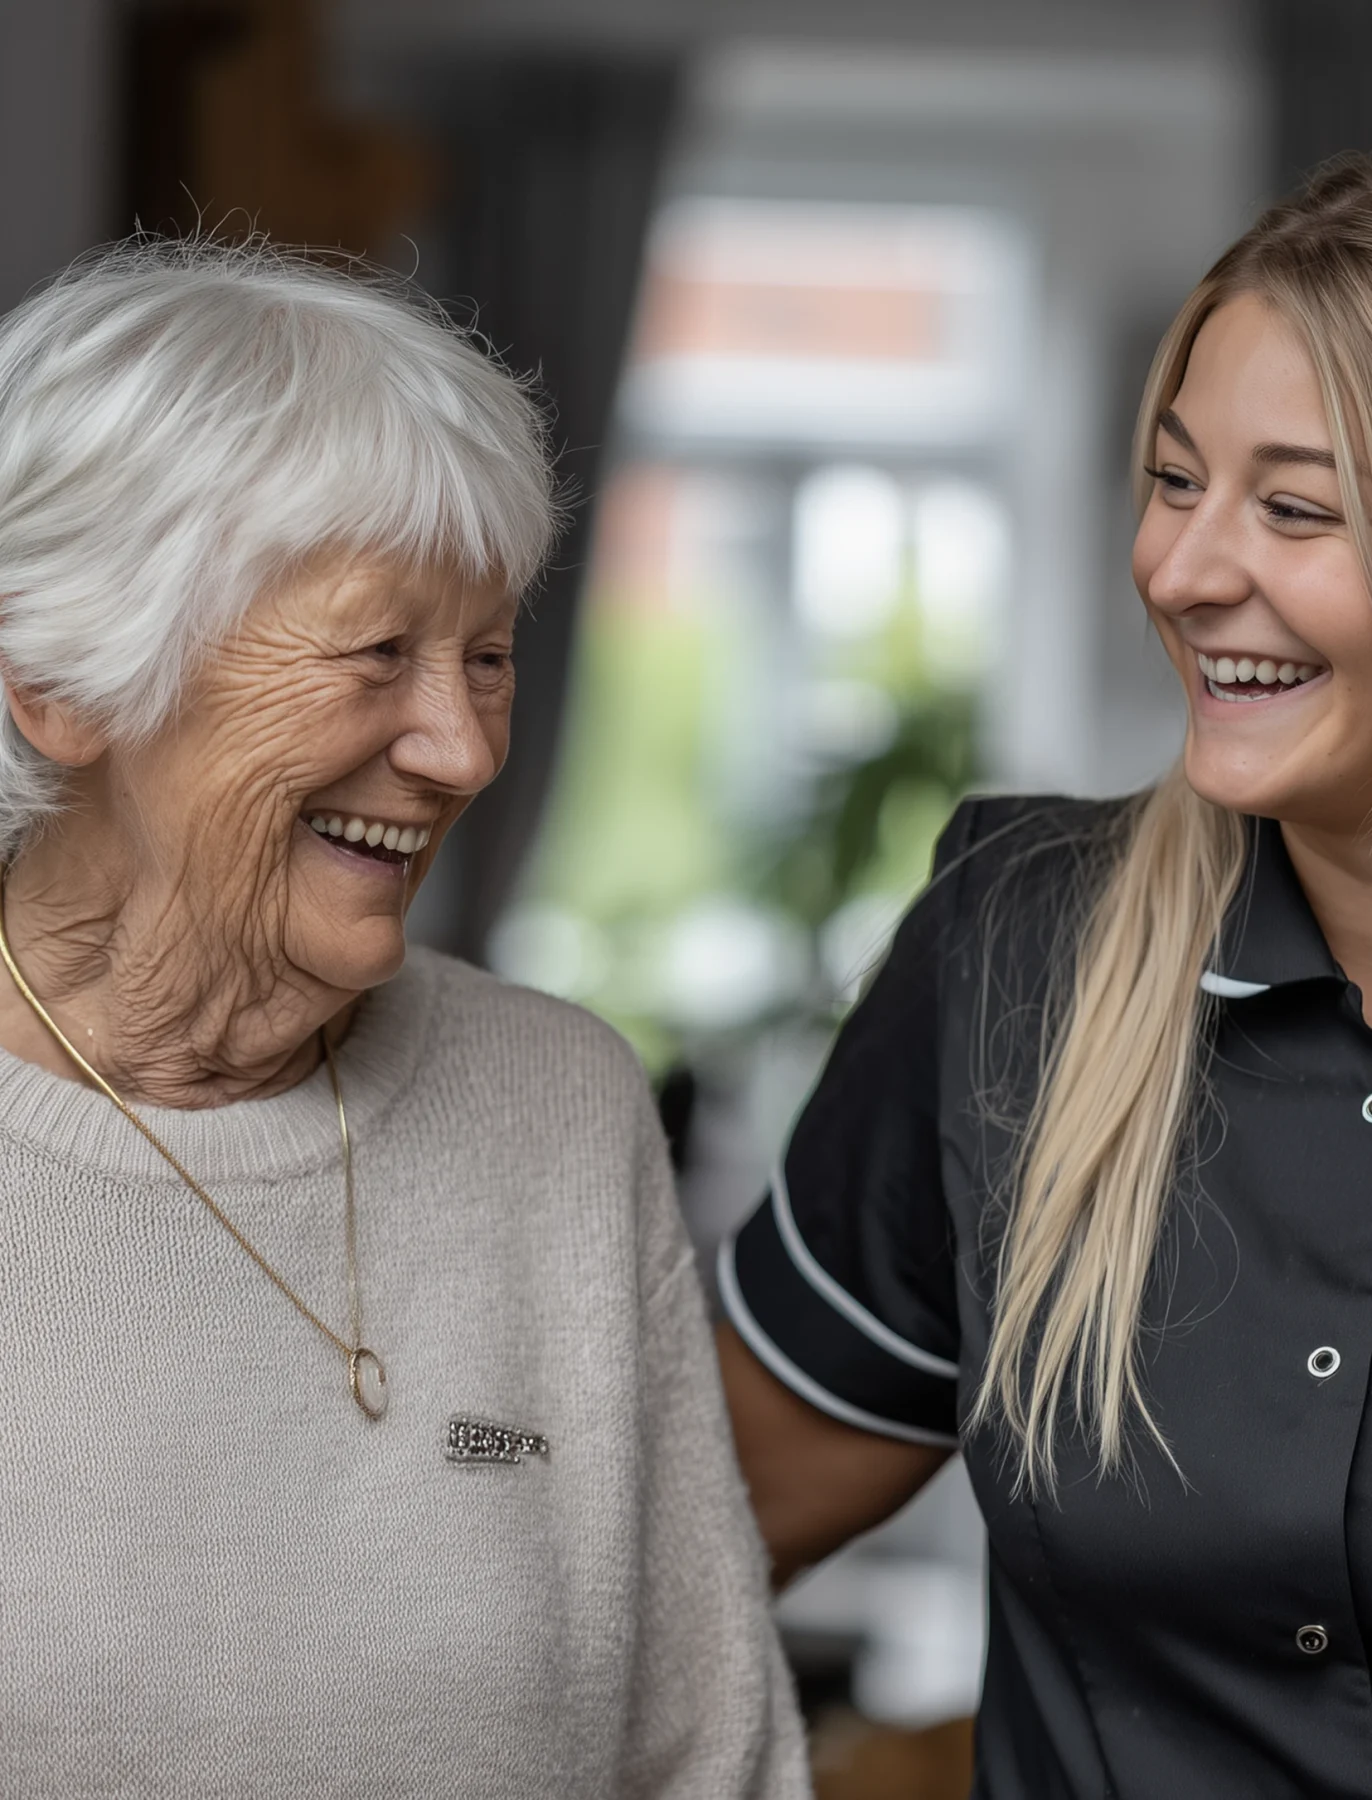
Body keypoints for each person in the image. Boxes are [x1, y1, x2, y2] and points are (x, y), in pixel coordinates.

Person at [716, 134, 1372, 1796]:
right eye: (1170, 480)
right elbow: (676, 1538)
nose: (1182, 568)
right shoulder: (1019, 946)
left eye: (1295, 507)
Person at [0, 238, 808, 1798]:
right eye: (378, 652)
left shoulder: (556, 1104)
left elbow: (709, 1761)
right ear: (61, 679)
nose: (458, 749)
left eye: (490, 658)